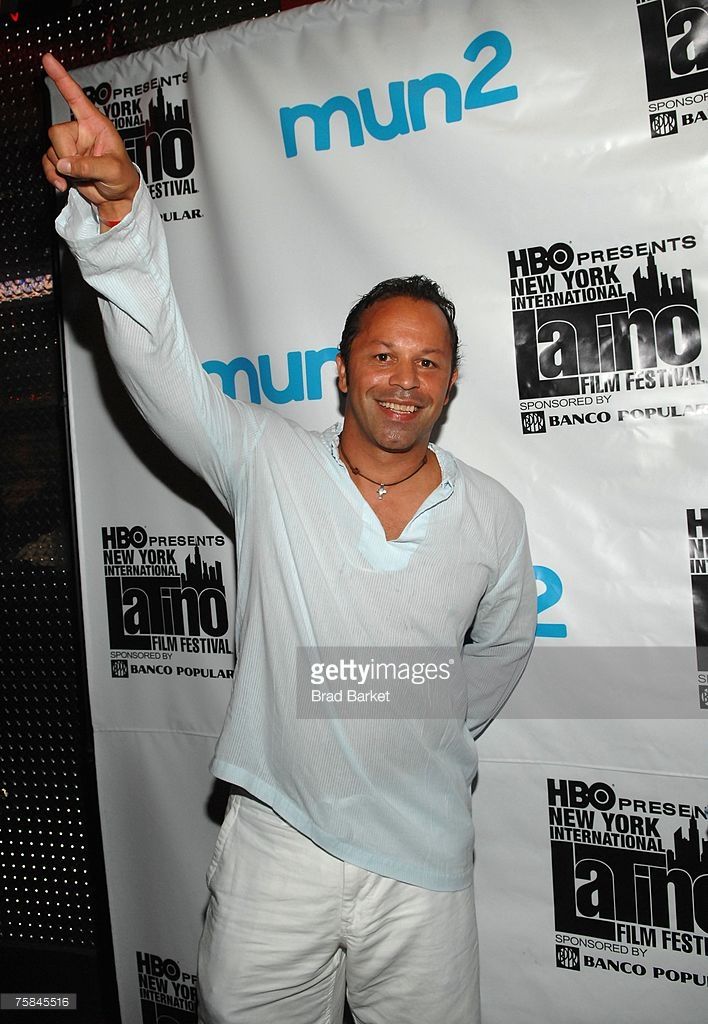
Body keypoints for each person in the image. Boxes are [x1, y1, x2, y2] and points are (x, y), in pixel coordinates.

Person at [42, 52, 536, 1024]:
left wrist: (402, 718)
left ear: (449, 383)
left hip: (426, 865)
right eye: (381, 355)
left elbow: (503, 651)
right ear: (342, 373)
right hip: (276, 854)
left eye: (428, 361)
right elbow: (158, 361)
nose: (404, 378)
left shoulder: (492, 514)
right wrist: (124, 213)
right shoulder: (265, 459)